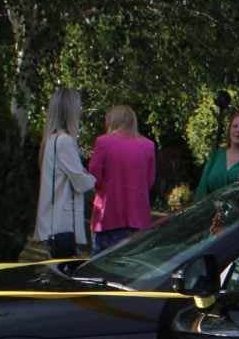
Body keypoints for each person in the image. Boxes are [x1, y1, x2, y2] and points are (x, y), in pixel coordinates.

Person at [34, 87, 95, 257]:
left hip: (52, 222)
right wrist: (93, 178)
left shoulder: (51, 139)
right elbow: (80, 181)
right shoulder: (65, 141)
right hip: (62, 225)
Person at [88, 104, 157, 253]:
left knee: (100, 270)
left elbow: (94, 177)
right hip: (138, 219)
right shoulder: (148, 146)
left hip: (107, 218)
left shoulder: (103, 142)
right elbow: (149, 181)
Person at [195, 110, 239, 198]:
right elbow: (202, 188)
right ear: (229, 130)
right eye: (235, 126)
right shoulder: (216, 155)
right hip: (208, 209)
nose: (238, 130)